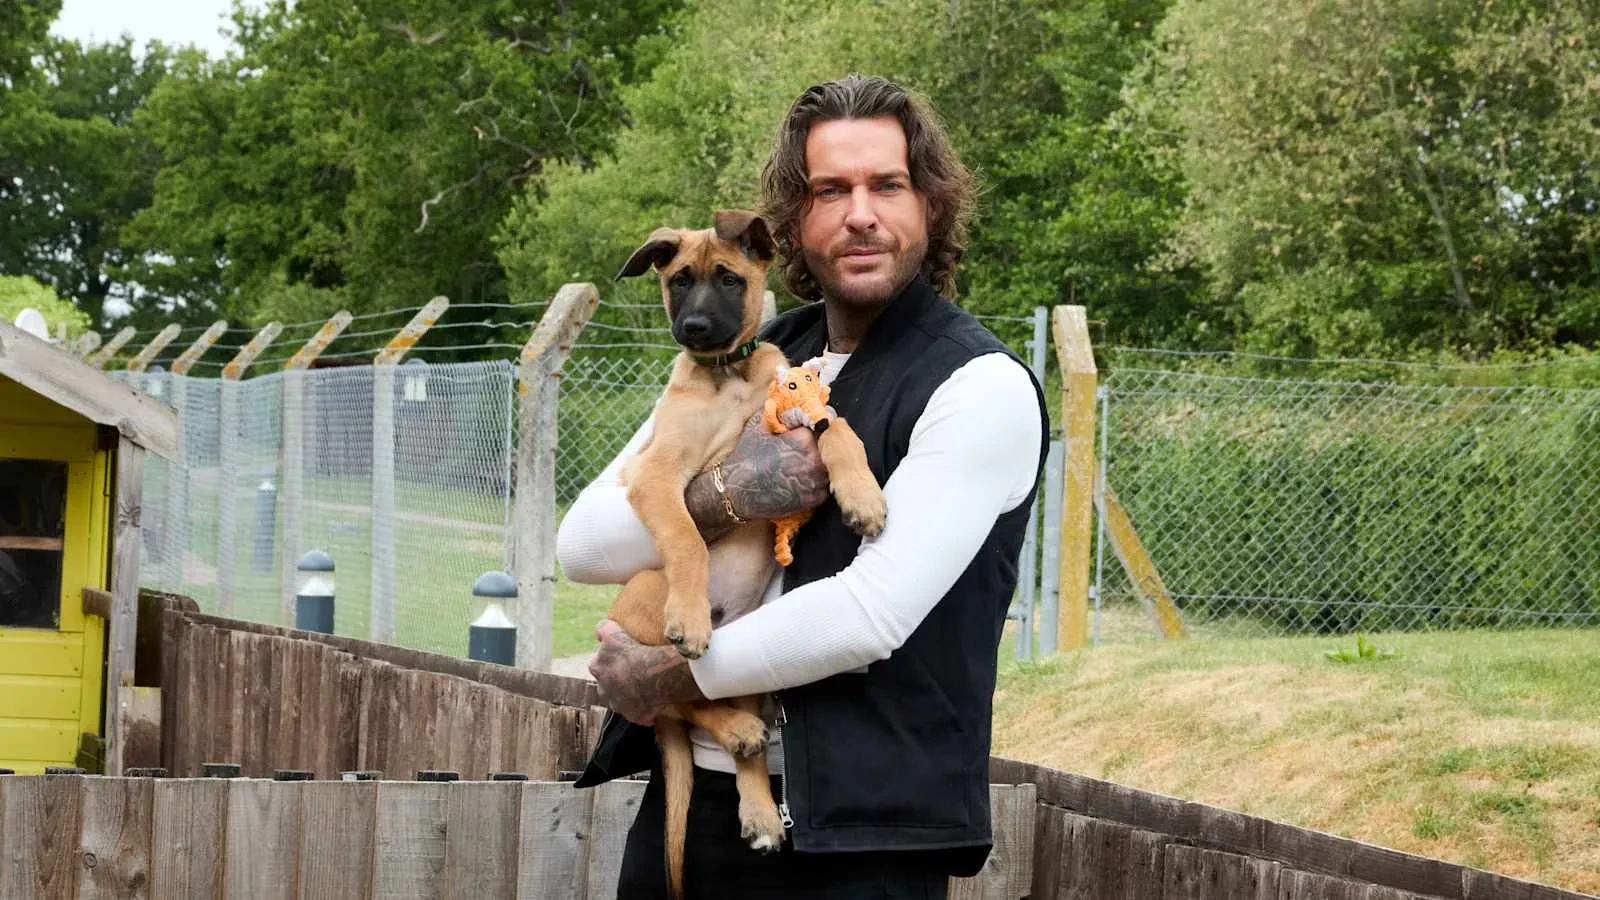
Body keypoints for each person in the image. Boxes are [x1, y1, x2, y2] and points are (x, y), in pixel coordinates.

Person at [558, 74, 1048, 899]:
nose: (861, 213)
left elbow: (868, 616)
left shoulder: (977, 385)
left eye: (887, 185)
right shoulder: (753, 350)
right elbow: (584, 542)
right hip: (699, 808)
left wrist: (673, 680)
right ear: (792, 224)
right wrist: (736, 490)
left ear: (930, 205)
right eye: (831, 190)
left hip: (861, 843)